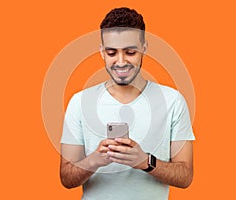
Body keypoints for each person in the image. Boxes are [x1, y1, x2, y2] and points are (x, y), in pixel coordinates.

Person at [60, 7, 195, 200]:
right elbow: (66, 178)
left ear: (144, 49)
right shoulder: (79, 102)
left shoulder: (173, 101)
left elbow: (185, 176)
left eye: (130, 52)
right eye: (112, 52)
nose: (121, 62)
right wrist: (94, 161)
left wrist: (144, 162)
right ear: (102, 52)